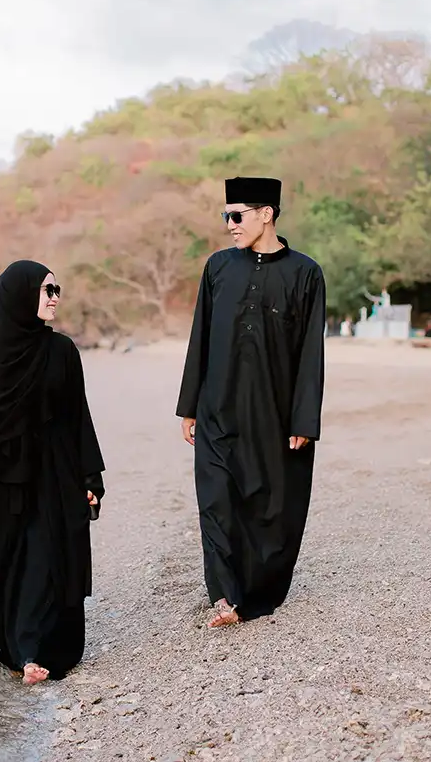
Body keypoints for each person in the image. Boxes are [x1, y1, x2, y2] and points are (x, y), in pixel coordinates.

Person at [0, 260, 105, 685]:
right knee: (7, 565)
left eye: (57, 290)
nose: (54, 298)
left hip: (55, 476)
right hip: (2, 482)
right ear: (20, 296)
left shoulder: (62, 352)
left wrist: (90, 478)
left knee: (46, 559)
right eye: (46, 290)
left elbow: (78, 420)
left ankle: (35, 652)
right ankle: (16, 648)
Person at [176, 177, 326, 629]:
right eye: (225, 216)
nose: (229, 225)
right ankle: (223, 598)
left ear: (267, 213)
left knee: (271, 505)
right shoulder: (218, 268)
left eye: (236, 215)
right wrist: (188, 406)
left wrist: (304, 418)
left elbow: (310, 355)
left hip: (274, 414)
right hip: (217, 408)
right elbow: (199, 336)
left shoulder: (305, 273)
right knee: (216, 500)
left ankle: (259, 591)